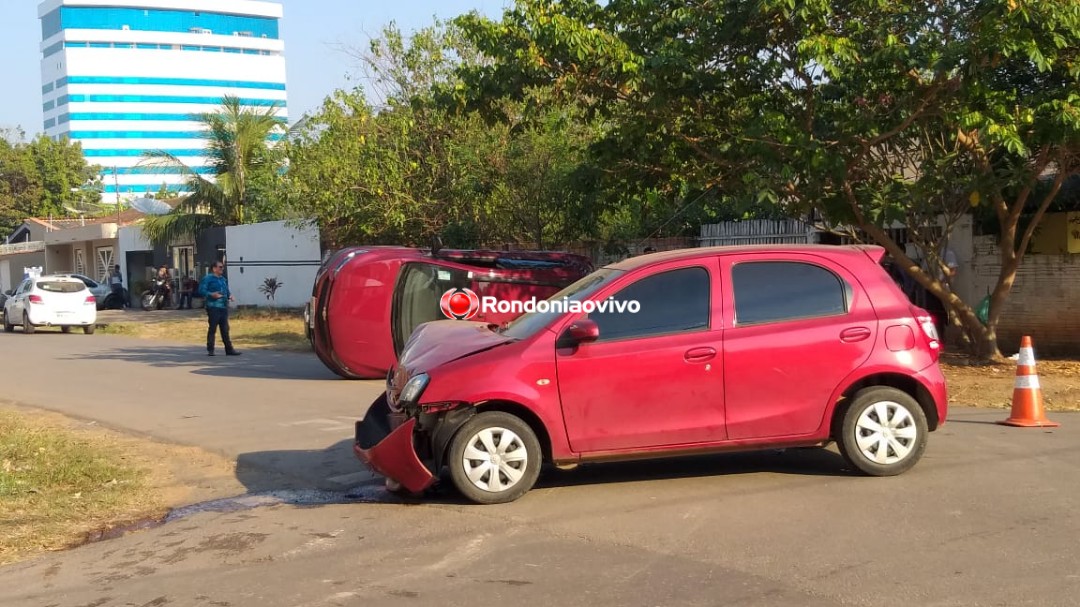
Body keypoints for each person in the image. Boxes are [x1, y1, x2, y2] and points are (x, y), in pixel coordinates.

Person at [198, 261, 240, 356]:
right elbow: (201, 290)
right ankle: (210, 349)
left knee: (225, 328)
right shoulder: (208, 278)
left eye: (222, 267)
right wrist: (211, 294)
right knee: (213, 328)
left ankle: (229, 349)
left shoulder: (223, 279)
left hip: (223, 306)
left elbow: (226, 290)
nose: (222, 269)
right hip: (213, 306)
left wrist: (230, 296)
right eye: (220, 267)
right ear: (214, 268)